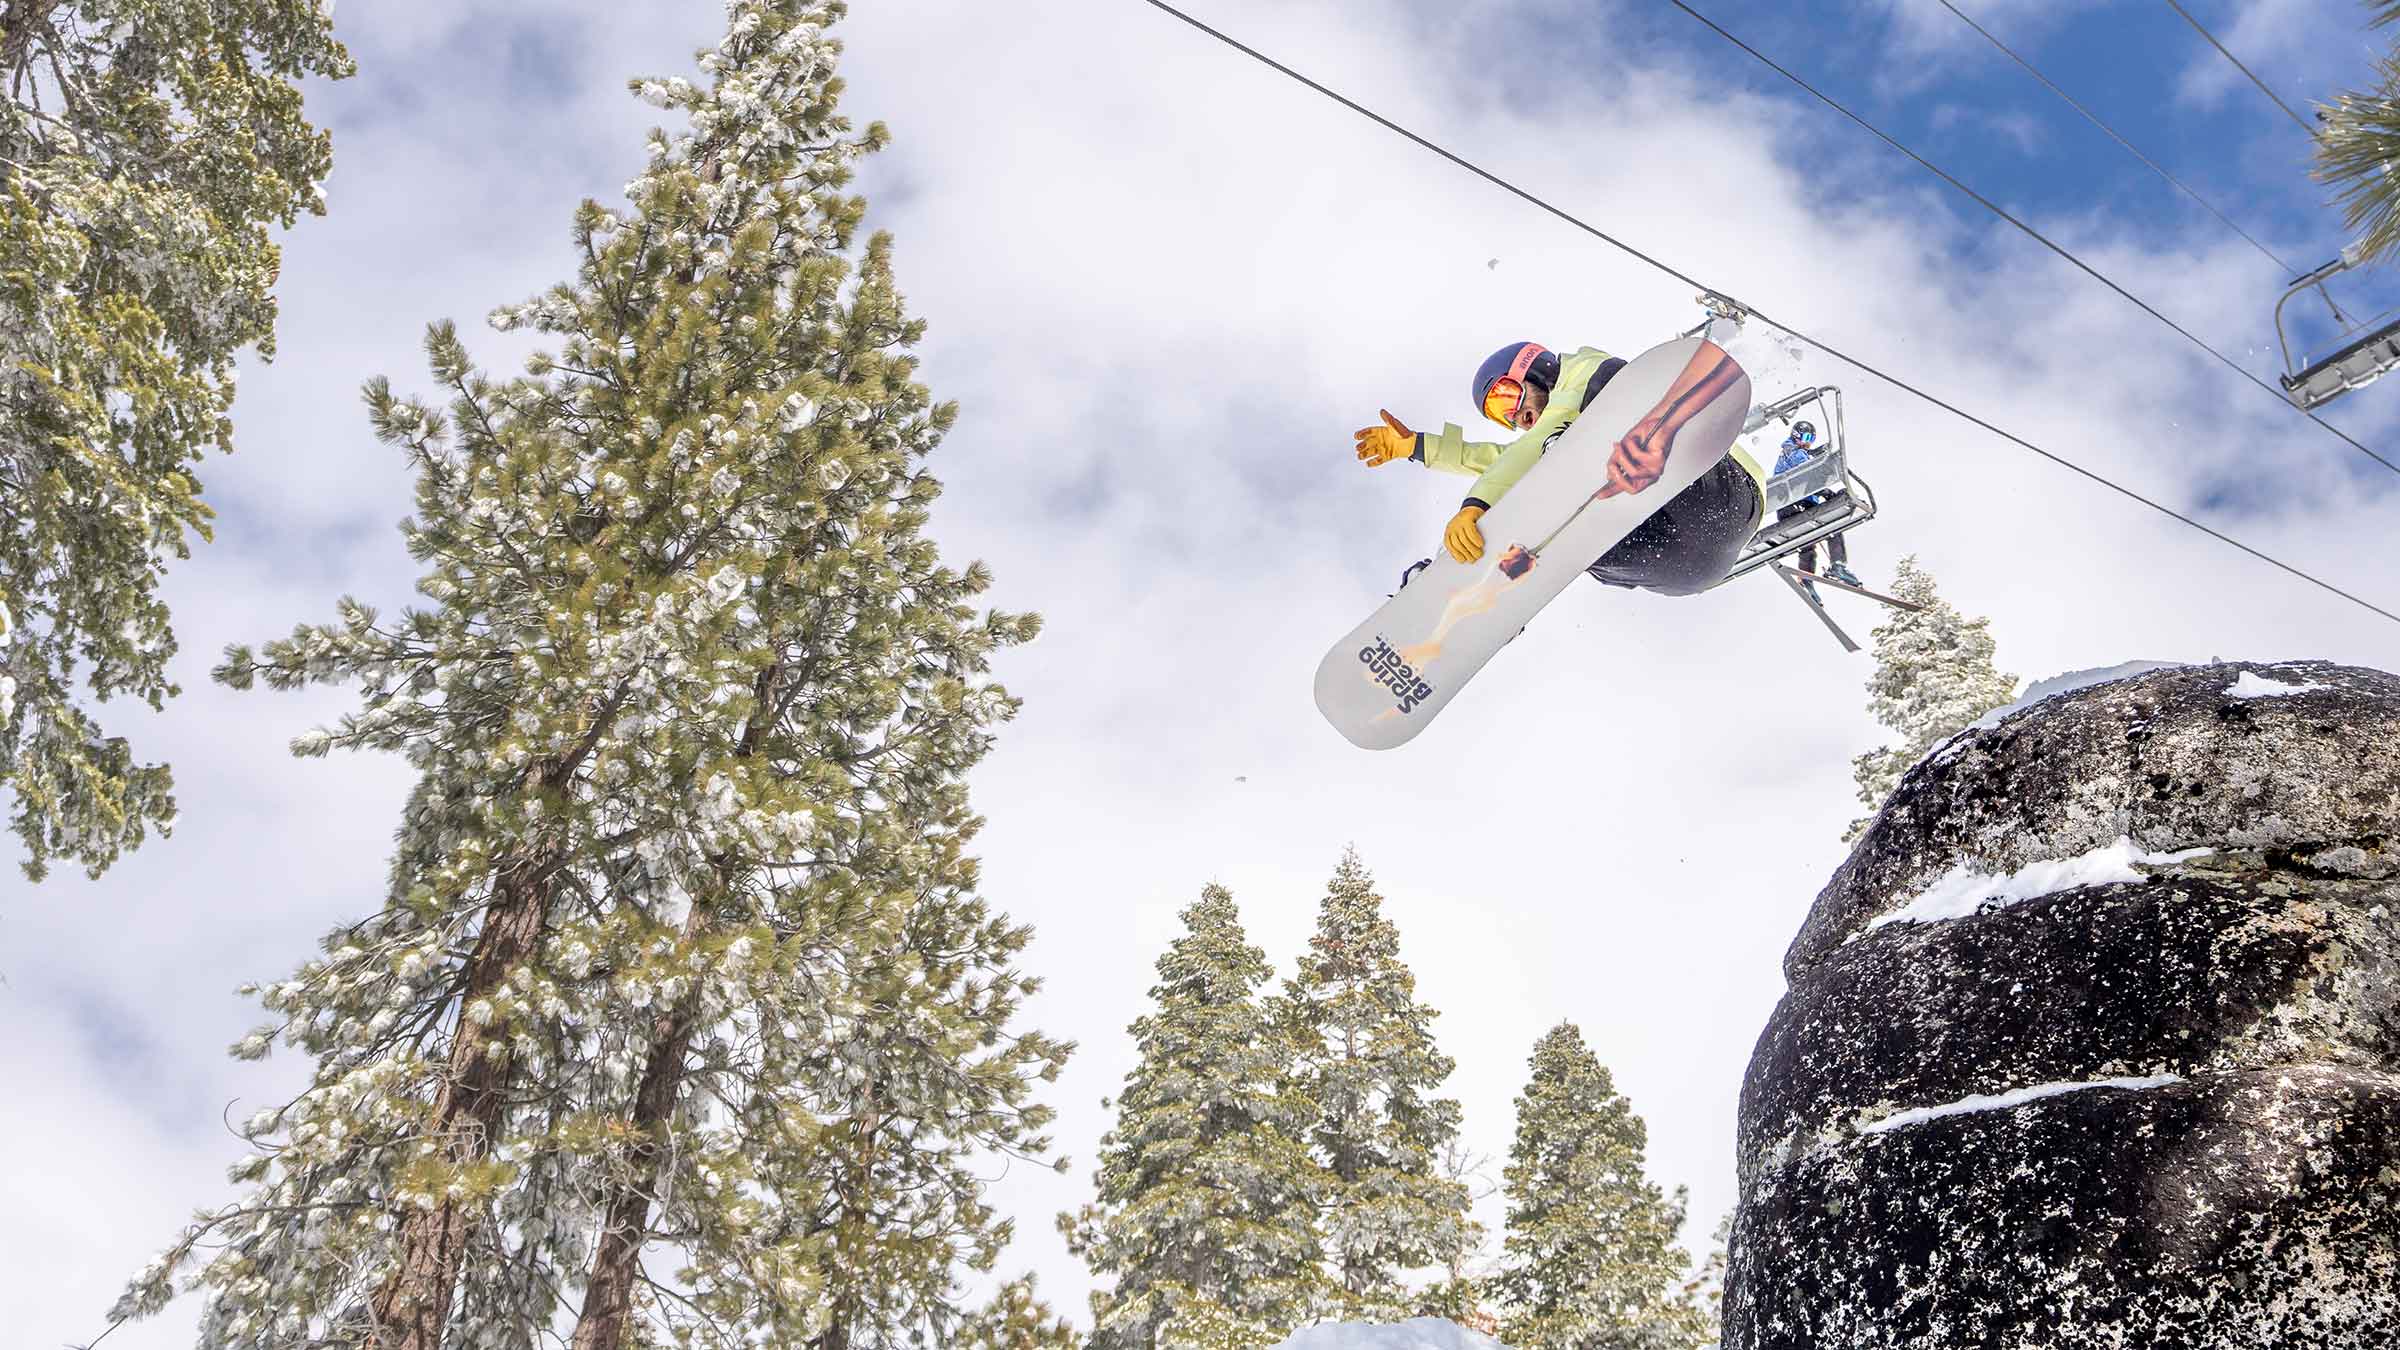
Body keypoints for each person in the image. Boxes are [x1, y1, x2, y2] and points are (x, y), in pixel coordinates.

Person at [1355, 340, 1768, 596]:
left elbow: (1530, 448)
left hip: (1719, 493)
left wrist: (1476, 504)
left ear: (1533, 368)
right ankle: (1470, 591)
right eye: (1502, 417)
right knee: (1544, 501)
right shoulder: (1553, 442)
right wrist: (1419, 447)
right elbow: (1511, 459)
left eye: (1506, 398)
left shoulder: (1586, 372)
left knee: (1552, 463)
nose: (1516, 417)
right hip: (1675, 565)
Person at [1770, 420, 1861, 595]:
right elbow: (1808, 471)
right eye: (1805, 437)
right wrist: (1825, 490)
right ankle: (1838, 565)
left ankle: (1806, 578)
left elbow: (1805, 466)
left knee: (1808, 542)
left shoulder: (1791, 452)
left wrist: (1815, 452)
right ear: (1796, 435)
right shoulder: (1794, 453)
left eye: (1811, 438)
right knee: (1832, 523)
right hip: (1797, 505)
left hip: (1789, 509)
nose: (1808, 441)